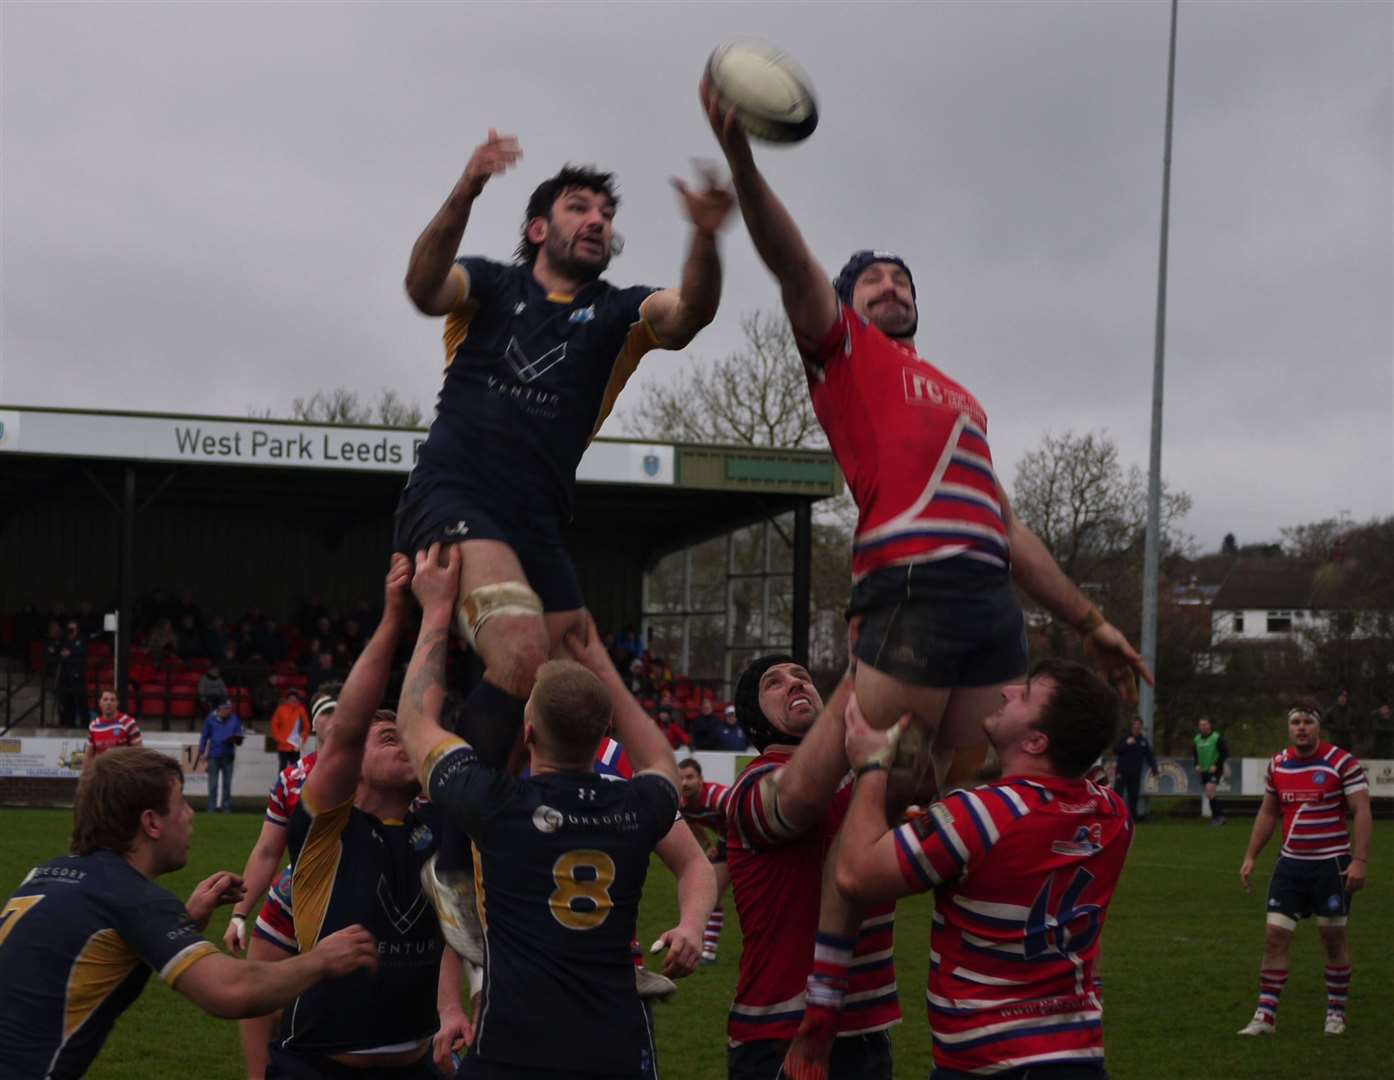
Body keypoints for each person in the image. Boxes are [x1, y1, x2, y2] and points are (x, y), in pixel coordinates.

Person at [698, 85, 1151, 805]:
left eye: (901, 278)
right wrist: (745, 166)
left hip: (989, 604)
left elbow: (1006, 526)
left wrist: (1089, 621)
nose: (890, 284)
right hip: (910, 589)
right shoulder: (843, 353)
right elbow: (791, 264)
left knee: (967, 804)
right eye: (871, 279)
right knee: (883, 795)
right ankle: (775, 834)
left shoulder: (960, 396)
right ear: (846, 305)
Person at [396, 132, 732, 778]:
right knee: (521, 648)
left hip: (539, 525)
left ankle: (530, 832)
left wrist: (707, 238)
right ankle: (450, 845)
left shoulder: (618, 313)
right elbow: (421, 285)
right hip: (455, 497)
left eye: (606, 214)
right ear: (538, 226)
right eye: (580, 207)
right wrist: (467, 187)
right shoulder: (491, 287)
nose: (598, 221)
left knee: (570, 698)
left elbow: (689, 314)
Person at [393, 544, 688, 1079]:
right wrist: (599, 661)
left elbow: (414, 724)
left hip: (514, 1050)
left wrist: (435, 611)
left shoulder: (497, 807)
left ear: (527, 733)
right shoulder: (636, 807)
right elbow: (662, 761)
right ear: (604, 736)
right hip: (612, 1052)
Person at [0, 747, 378, 1080]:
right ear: (151, 822)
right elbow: (232, 992)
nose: (191, 813)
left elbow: (96, 954)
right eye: (180, 802)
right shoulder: (132, 897)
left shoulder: (47, 874)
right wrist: (320, 961)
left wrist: (180, 920)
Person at [835, 659, 1131, 1079]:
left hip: (989, 1063)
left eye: (1024, 695)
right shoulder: (1113, 815)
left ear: (1035, 742)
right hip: (1078, 1058)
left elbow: (855, 875)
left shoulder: (981, 815)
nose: (1009, 691)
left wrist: (870, 766)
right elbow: (1083, 769)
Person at [267, 556, 446, 1077]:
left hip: (418, 1066)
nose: (407, 747)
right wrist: (396, 615)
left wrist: (437, 612)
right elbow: (347, 730)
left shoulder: (440, 826)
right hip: (321, 1066)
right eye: (390, 738)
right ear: (349, 768)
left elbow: (429, 717)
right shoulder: (328, 832)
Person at [723, 655, 900, 1080]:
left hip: (866, 1032)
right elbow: (798, 799)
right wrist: (865, 662)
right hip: (780, 1034)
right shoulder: (754, 784)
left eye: (801, 676)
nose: (795, 683)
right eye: (774, 683)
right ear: (754, 715)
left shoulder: (866, 775)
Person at [1238, 699, 1371, 1038]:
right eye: (1295, 722)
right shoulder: (1278, 765)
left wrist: (1359, 860)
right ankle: (1266, 1015)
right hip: (1290, 866)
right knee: (1274, 937)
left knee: (1332, 937)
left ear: (1318, 727)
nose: (1301, 728)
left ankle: (1336, 1013)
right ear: (1289, 727)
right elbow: (1269, 813)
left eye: (1307, 722)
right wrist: (1252, 855)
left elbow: (1362, 810)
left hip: (1332, 867)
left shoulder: (1341, 762)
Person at [225, 687, 338, 1080]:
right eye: (325, 712)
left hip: (356, 897)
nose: (333, 719)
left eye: (343, 710)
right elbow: (268, 851)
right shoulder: (292, 778)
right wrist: (240, 913)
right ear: (313, 723)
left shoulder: (375, 772)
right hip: (296, 892)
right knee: (258, 997)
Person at [678, 758, 734, 965]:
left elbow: (742, 813)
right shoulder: (681, 803)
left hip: (746, 842)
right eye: (681, 778)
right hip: (725, 841)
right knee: (713, 895)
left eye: (690, 777)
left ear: (701, 779)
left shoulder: (718, 796)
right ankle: (708, 950)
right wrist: (707, 845)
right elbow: (692, 823)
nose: (684, 783)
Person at [197, 698, 243, 813]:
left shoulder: (234, 719)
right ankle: (211, 808)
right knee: (213, 784)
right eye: (226, 708)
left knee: (227, 784)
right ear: (220, 709)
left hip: (229, 755)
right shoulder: (210, 719)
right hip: (214, 755)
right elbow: (204, 736)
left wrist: (238, 739)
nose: (229, 711)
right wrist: (202, 751)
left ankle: (226, 808)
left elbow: (239, 734)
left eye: (229, 708)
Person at [82, 687, 143, 769]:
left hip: (123, 773)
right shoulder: (93, 726)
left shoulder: (128, 722)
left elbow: (139, 752)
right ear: (99, 702)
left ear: (117, 703)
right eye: (105, 699)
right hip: (101, 774)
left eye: (112, 700)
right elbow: (89, 756)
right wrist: (86, 776)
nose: (109, 703)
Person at [1112, 716, 1157, 821]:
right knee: (1118, 794)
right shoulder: (1125, 737)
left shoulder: (1143, 741)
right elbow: (1115, 750)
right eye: (1135, 725)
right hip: (1122, 772)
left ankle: (1132, 817)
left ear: (1141, 727)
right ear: (1132, 726)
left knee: (1133, 796)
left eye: (1138, 725)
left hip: (1135, 773)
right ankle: (1115, 815)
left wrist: (1154, 767)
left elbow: (1149, 756)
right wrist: (1126, 744)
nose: (1137, 727)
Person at [1193, 717, 1230, 825]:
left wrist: (1216, 765)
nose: (1203, 727)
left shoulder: (1216, 738)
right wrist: (1196, 765)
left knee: (1210, 790)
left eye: (1205, 724)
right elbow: (1195, 754)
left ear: (1209, 725)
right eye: (1201, 725)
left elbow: (1225, 752)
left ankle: (1217, 817)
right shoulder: (1197, 739)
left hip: (1214, 770)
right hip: (1203, 770)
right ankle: (1220, 817)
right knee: (1210, 794)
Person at [269, 687, 309, 769]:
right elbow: (274, 725)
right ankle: (282, 782)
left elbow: (306, 726)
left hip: (295, 745)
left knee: (295, 770)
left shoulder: (301, 710)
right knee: (283, 768)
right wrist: (279, 738)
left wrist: (302, 739)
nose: (292, 698)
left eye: (294, 697)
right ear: (287, 698)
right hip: (283, 745)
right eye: (290, 697)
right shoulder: (281, 709)